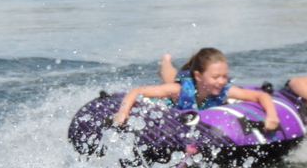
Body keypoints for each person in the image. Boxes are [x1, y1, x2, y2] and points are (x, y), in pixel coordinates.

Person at [113, 47, 280, 130]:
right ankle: (165, 63)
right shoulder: (179, 90)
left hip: (194, 89)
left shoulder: (224, 90)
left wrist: (272, 116)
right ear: (199, 76)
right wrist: (121, 114)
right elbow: (136, 92)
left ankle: (167, 64)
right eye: (216, 77)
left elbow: (261, 96)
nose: (222, 81)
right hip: (176, 97)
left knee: (174, 79)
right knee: (170, 80)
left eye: (224, 76)